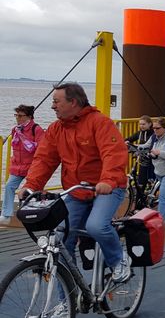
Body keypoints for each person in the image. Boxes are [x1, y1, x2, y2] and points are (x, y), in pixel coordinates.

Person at [22, 83, 131, 291]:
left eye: (56, 101)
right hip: (77, 190)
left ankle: (119, 260)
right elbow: (44, 159)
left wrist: (108, 180)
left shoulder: (100, 123)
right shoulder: (56, 129)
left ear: (73, 102)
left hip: (107, 187)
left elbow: (113, 153)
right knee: (61, 239)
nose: (53, 106)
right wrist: (30, 186)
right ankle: (68, 300)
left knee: (96, 226)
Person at [2, 105, 44, 226]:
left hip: (32, 166)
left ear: (29, 117)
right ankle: (6, 215)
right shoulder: (15, 130)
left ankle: (37, 214)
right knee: (9, 186)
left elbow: (42, 147)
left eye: (20, 116)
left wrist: (37, 164)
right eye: (16, 115)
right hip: (18, 166)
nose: (17, 118)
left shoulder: (36, 129)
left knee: (34, 190)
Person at [124, 114, 155, 209]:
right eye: (140, 124)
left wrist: (138, 147)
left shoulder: (153, 134)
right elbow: (129, 139)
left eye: (144, 124)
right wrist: (126, 142)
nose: (141, 126)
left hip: (151, 159)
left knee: (147, 179)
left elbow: (150, 145)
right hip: (142, 158)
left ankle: (147, 199)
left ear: (150, 124)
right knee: (141, 180)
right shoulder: (139, 133)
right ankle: (139, 203)